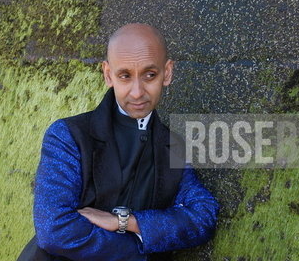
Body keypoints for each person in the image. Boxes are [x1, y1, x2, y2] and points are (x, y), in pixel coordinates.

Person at [17, 23, 219, 261]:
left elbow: (203, 217)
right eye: (125, 76)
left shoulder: (172, 146)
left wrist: (126, 222)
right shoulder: (69, 136)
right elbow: (54, 230)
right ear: (108, 75)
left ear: (168, 73)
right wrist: (142, 250)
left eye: (150, 75)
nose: (137, 92)